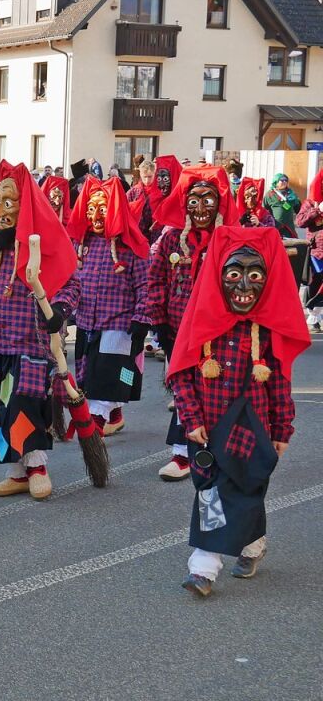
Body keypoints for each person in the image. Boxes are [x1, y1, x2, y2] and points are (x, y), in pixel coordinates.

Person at [170, 227, 309, 597]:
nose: (244, 286)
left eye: (255, 276)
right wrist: (191, 417)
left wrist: (282, 430)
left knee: (246, 490)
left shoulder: (265, 329)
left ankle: (204, 567)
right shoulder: (201, 320)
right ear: (218, 276)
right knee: (210, 492)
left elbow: (279, 383)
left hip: (251, 426)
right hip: (208, 428)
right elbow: (180, 375)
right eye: (234, 275)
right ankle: (236, 550)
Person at [0, 161, 80, 501]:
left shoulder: (41, 240)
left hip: (31, 341)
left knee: (26, 405)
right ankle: (16, 471)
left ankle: (38, 466)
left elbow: (71, 281)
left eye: (10, 202)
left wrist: (60, 310)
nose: (2, 209)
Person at [148, 166, 239, 481]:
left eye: (208, 201)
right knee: (183, 390)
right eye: (194, 201)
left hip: (220, 333)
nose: (201, 209)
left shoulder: (230, 240)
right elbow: (156, 278)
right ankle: (182, 454)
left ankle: (217, 450)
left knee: (213, 390)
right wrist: (158, 320)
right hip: (178, 329)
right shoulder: (172, 238)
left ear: (220, 204)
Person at [66, 176, 151, 436]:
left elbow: (146, 286)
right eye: (90, 209)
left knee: (109, 374)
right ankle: (115, 413)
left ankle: (97, 422)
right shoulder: (82, 244)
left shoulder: (131, 246)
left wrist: (142, 318)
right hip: (87, 322)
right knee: (86, 373)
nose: (95, 216)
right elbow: (69, 279)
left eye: (102, 209)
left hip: (118, 323)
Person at [296, 168, 323, 332]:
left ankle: (316, 315)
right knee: (315, 281)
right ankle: (312, 315)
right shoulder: (309, 202)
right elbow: (300, 221)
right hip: (316, 250)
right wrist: (317, 210)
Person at [126, 158, 158, 243]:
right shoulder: (133, 192)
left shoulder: (160, 191)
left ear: (154, 174)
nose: (147, 180)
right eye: (145, 177)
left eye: (150, 176)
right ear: (140, 175)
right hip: (137, 231)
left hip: (156, 232)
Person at [263, 173, 300, 237]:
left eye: (286, 180)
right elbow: (264, 211)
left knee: (292, 245)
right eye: (282, 180)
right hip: (275, 227)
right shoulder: (269, 194)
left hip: (289, 228)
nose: (284, 182)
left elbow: (299, 210)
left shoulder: (292, 194)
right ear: (276, 182)